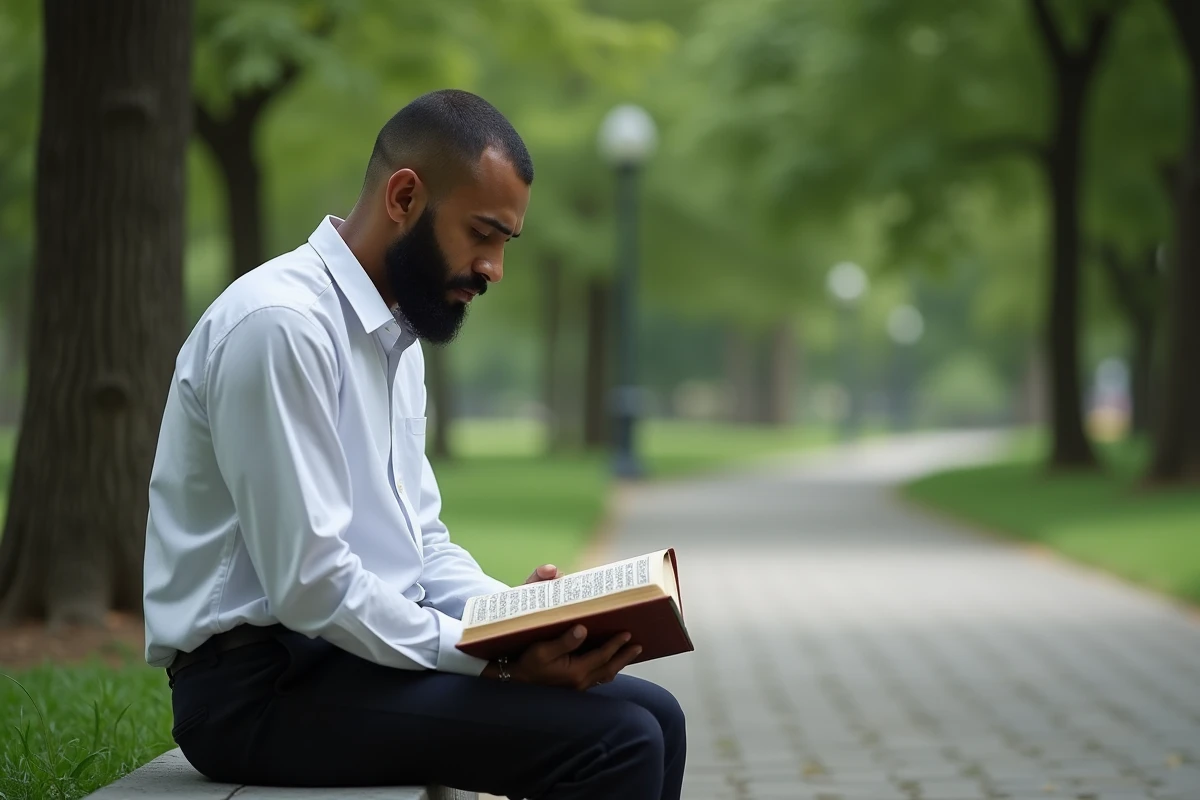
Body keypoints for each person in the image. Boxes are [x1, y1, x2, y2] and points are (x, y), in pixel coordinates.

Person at [142, 89, 686, 799]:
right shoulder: (281, 326)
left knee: (658, 715)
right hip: (256, 691)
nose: (494, 268)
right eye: (482, 234)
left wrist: (516, 623)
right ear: (404, 196)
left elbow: (421, 543)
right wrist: (493, 664)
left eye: (504, 244)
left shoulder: (397, 337)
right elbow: (312, 585)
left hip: (345, 661)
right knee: (618, 742)